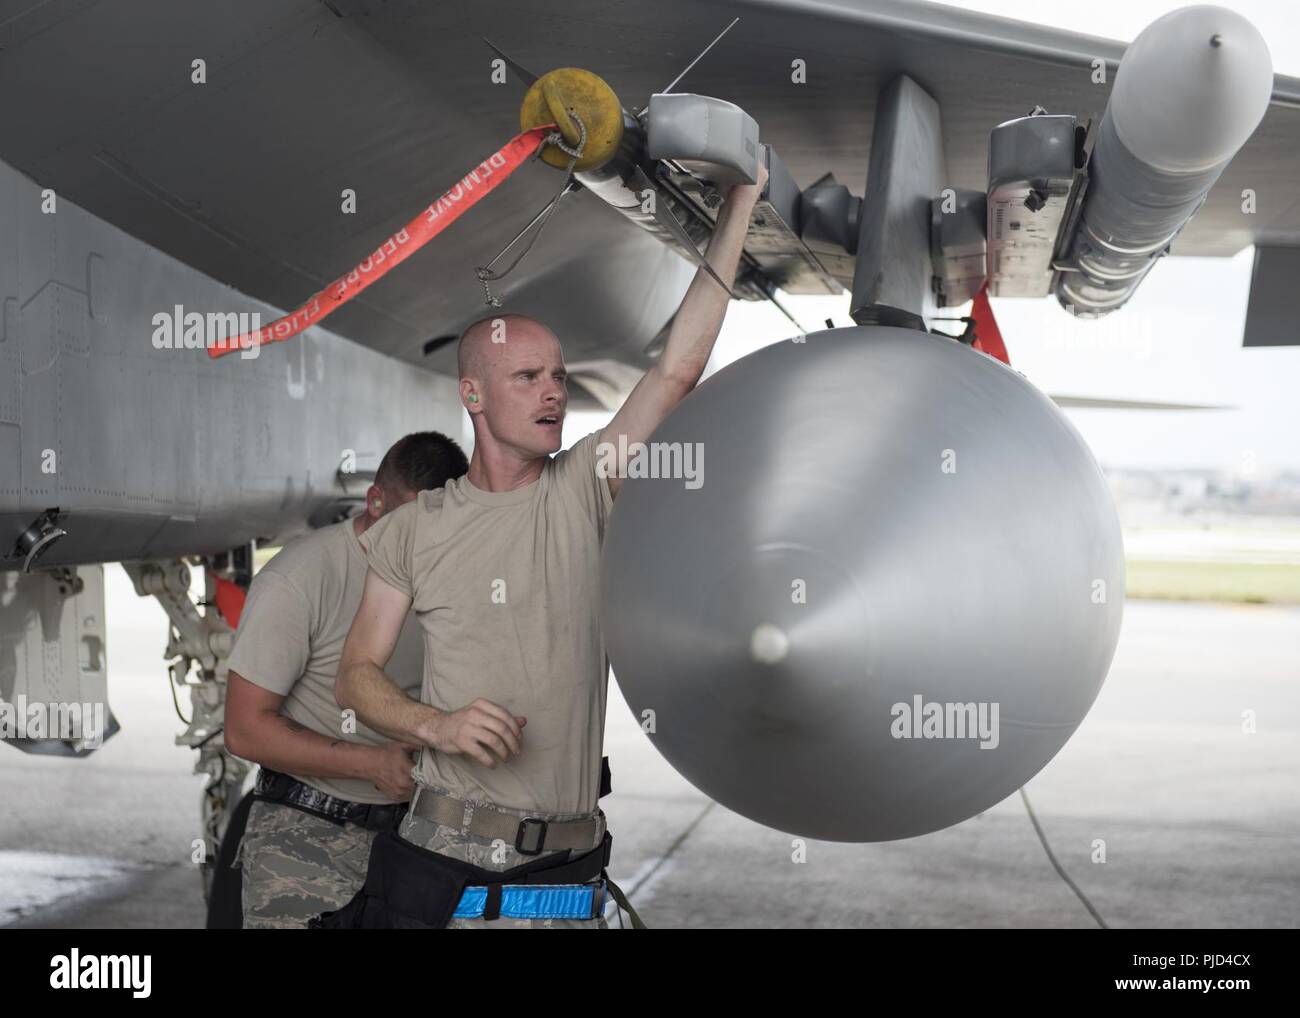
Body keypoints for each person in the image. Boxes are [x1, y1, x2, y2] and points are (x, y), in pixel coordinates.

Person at [335, 161, 769, 928]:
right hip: (450, 865)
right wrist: (435, 726)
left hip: (568, 874)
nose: (553, 393)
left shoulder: (582, 488)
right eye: (528, 376)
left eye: (560, 378)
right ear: (473, 395)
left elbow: (677, 369)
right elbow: (357, 677)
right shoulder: (413, 529)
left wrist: (739, 207)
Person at [223, 431, 468, 929]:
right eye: (409, 522)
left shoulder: (452, 575)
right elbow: (244, 728)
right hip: (305, 840)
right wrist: (372, 763)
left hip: (413, 841)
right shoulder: (299, 579)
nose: (423, 542)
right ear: (374, 501)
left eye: (439, 525)